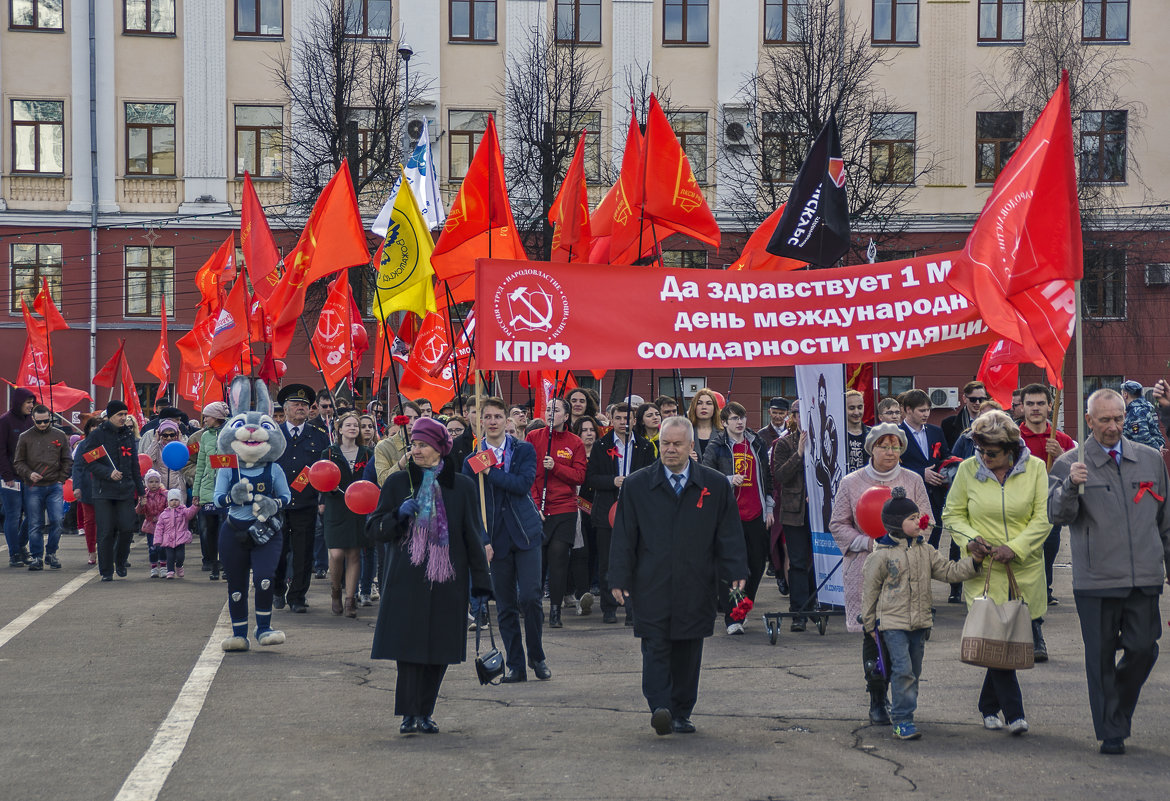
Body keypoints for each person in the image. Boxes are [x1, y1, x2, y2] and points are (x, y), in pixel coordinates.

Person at [1049, 388, 1170, 756]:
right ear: (1089, 421)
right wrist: (1071, 484)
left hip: (1144, 577)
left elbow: (1164, 521)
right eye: (1104, 420)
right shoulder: (1070, 462)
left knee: (1143, 649)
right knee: (1099, 657)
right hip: (1097, 579)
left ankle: (1114, 703)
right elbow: (1058, 515)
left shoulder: (1150, 460)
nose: (1113, 427)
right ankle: (1111, 730)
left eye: (1118, 418)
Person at [609, 416, 748, 736]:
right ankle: (660, 707)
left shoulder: (714, 484)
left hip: (696, 582)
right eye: (665, 444)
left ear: (690, 446)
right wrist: (619, 578)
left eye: (677, 444)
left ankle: (682, 712)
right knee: (655, 645)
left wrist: (737, 570)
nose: (670, 450)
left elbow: (728, 533)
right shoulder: (637, 484)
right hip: (651, 582)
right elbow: (624, 536)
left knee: (688, 650)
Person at [368, 417, 492, 734]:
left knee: (439, 650)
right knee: (408, 650)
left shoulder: (461, 485)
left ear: (439, 448)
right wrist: (398, 515)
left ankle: (425, 711)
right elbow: (374, 529)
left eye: (422, 445)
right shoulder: (398, 483)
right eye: (414, 445)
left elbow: (472, 536)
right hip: (406, 580)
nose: (416, 450)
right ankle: (410, 714)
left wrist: (481, 583)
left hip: (447, 581)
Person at [943, 410, 1049, 736]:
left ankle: (988, 706)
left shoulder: (1036, 469)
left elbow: (1043, 518)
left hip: (1023, 571)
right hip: (984, 571)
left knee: (1008, 642)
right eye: (980, 450)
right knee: (995, 638)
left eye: (992, 452)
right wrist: (969, 539)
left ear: (1011, 449)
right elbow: (953, 513)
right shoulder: (967, 469)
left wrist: (1015, 547)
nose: (984, 457)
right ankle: (1015, 714)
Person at [861, 488, 987, 740]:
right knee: (903, 670)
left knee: (914, 671)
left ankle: (906, 710)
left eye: (918, 516)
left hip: (920, 623)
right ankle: (902, 719)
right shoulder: (881, 556)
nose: (919, 522)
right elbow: (869, 592)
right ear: (896, 524)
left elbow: (949, 571)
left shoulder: (925, 550)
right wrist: (869, 626)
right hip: (892, 625)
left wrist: (973, 562)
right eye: (911, 518)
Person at [829, 423, 931, 725]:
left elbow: (927, 519)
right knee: (873, 637)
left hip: (907, 572)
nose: (890, 452)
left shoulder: (912, 480)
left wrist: (908, 538)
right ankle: (876, 699)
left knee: (907, 638)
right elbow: (838, 524)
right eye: (884, 446)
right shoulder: (851, 482)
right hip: (866, 570)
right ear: (871, 448)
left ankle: (902, 700)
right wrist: (869, 542)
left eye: (896, 446)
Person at [464, 397, 550, 682]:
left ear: (506, 420)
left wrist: (490, 471)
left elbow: (521, 485)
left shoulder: (523, 450)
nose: (492, 421)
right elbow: (472, 504)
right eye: (486, 417)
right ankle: (516, 665)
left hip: (526, 533)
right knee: (505, 606)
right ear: (481, 422)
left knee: (530, 598)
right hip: (495, 540)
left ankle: (537, 656)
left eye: (497, 416)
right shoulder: (471, 458)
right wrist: (483, 539)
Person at [701, 401, 774, 635]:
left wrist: (769, 508)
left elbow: (767, 477)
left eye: (742, 417)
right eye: (734, 418)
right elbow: (705, 474)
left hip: (756, 513)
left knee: (755, 565)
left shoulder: (756, 442)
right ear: (724, 423)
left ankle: (744, 606)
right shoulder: (717, 445)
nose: (740, 422)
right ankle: (733, 617)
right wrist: (727, 478)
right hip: (729, 516)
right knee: (730, 566)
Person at [586, 401, 655, 625]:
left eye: (628, 419)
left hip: (635, 512)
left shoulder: (644, 446)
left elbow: (651, 477)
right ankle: (608, 607)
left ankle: (632, 609)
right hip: (607, 510)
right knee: (607, 560)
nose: (624, 423)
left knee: (635, 560)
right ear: (611, 420)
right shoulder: (600, 445)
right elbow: (591, 478)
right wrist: (612, 481)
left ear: (635, 421)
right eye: (619, 418)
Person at [527, 396, 588, 629]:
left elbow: (579, 476)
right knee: (538, 560)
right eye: (548, 409)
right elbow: (529, 472)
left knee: (559, 556)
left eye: (556, 410)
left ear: (566, 415)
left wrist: (557, 467)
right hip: (539, 508)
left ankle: (555, 610)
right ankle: (534, 608)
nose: (551, 413)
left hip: (565, 509)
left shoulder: (575, 443)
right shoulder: (534, 437)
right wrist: (534, 504)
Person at [1017, 383, 1075, 619]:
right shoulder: (1013, 438)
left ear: (1051, 406)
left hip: (1050, 507)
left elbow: (1076, 474)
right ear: (1022, 407)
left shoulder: (1062, 439)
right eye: (1030, 403)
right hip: (1020, 507)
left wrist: (1061, 455)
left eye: (1041, 403)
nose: (1035, 408)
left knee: (1048, 552)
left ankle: (1044, 591)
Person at [274, 384, 331, 613]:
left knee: (303, 552)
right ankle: (277, 589)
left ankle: (297, 596)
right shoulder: (273, 434)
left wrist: (322, 499)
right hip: (278, 503)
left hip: (306, 503)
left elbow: (327, 468)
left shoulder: (319, 436)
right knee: (278, 551)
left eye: (305, 405)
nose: (301, 408)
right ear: (285, 409)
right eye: (296, 404)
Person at [81, 401, 146, 581]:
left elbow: (134, 465)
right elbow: (88, 460)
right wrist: (108, 473)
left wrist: (141, 492)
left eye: (125, 414)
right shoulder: (97, 436)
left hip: (125, 490)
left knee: (127, 528)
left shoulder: (127, 434)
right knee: (105, 532)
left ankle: (121, 559)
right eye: (120, 414)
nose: (124, 417)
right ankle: (106, 570)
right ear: (110, 416)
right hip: (103, 491)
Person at [318, 412, 373, 618]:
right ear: (339, 429)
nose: (353, 428)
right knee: (336, 553)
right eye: (348, 425)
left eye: (355, 426)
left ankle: (350, 600)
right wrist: (323, 499)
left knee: (354, 554)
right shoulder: (329, 453)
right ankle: (335, 591)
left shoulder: (367, 453)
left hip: (359, 507)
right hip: (336, 506)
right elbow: (320, 477)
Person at [771, 410, 818, 631]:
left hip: (820, 511)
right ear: (794, 417)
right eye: (800, 415)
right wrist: (799, 453)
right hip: (793, 511)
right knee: (798, 562)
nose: (804, 420)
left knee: (819, 561)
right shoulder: (784, 443)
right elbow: (779, 475)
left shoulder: (825, 439)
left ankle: (814, 604)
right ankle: (798, 611)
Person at [13, 404, 72, 570]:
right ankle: (37, 557)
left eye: (46, 421)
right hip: (33, 486)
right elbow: (18, 462)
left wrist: (61, 478)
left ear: (50, 418)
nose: (43, 424)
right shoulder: (25, 437)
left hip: (54, 484)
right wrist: (29, 474)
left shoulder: (59, 435)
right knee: (34, 523)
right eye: (39, 422)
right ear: (33, 419)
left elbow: (67, 459)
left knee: (57, 520)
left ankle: (51, 553)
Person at [898, 389, 951, 551]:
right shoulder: (898, 434)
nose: (926, 414)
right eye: (921, 410)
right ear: (908, 410)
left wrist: (945, 470)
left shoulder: (936, 431)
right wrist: (922, 473)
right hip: (909, 498)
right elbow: (893, 465)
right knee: (909, 546)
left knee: (931, 546)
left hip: (935, 497)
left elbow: (945, 456)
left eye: (928, 410)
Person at [192, 401, 231, 580]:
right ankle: (214, 565)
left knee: (227, 529)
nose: (204, 419)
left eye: (207, 416)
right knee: (209, 530)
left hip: (227, 489)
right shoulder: (205, 436)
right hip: (208, 489)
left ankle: (226, 563)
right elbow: (200, 465)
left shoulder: (231, 433)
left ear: (216, 417)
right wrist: (196, 492)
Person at [1, 388, 35, 567]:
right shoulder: (5, 421)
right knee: (13, 516)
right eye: (28, 402)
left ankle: (21, 546)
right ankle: (14, 553)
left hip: (29, 476)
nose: (31, 406)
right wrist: (7, 475)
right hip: (10, 479)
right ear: (18, 402)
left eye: (32, 402)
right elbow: (1, 451)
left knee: (33, 514)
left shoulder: (30, 421)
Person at [72, 416, 102, 565]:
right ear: (88, 429)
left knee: (106, 522)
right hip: (87, 489)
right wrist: (76, 486)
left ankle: (105, 550)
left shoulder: (108, 443)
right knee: (90, 521)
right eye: (93, 426)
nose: (96, 429)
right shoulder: (83, 445)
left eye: (99, 426)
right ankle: (92, 551)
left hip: (106, 489)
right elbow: (77, 466)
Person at [374, 402, 421, 484]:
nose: (412, 422)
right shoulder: (383, 447)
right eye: (408, 418)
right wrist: (400, 465)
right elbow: (382, 480)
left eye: (416, 418)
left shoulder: (426, 444)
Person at [154, 488, 197, 579]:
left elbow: (190, 513)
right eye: (172, 500)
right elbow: (159, 528)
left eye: (176, 500)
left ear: (180, 501)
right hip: (168, 539)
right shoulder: (164, 514)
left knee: (180, 556)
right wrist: (158, 539)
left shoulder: (183, 511)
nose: (174, 502)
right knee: (170, 557)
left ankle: (179, 566)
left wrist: (195, 506)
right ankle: (170, 571)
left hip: (180, 538)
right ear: (168, 501)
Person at [136, 470, 169, 577]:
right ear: (146, 483)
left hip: (162, 526)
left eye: (156, 481)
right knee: (152, 548)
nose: (153, 484)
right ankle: (154, 567)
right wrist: (141, 504)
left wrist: (160, 518)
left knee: (163, 547)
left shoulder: (164, 494)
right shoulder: (144, 495)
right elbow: (139, 512)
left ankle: (164, 566)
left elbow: (168, 509)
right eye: (151, 481)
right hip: (150, 526)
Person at [1119, 380, 1164, 450]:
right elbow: (1155, 432)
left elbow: (1142, 438)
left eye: (1121, 393)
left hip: (1142, 456)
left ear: (1125, 394)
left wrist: (1157, 449)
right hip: (1151, 453)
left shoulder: (1135, 412)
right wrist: (1159, 446)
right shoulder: (1147, 406)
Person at [942, 381, 988, 449]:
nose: (977, 403)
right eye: (973, 399)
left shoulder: (991, 422)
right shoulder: (948, 424)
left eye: (981, 399)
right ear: (964, 398)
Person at [686, 388, 723, 460]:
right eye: (699, 403)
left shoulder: (723, 434)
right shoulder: (685, 432)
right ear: (694, 407)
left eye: (709, 403)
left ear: (714, 408)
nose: (704, 407)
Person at [844, 390, 870, 473]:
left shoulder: (873, 434)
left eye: (859, 407)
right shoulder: (836, 435)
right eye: (851, 408)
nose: (856, 412)